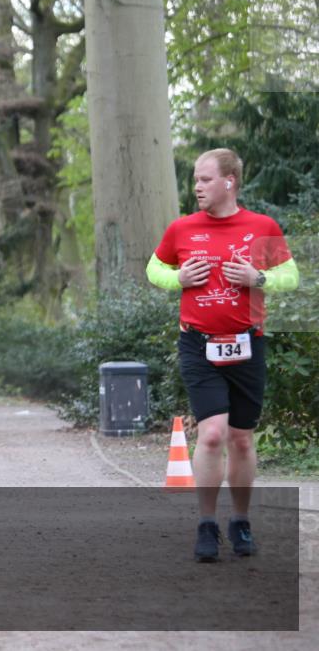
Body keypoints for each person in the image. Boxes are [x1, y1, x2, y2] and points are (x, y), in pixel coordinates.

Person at [146, 148, 299, 562]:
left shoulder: (261, 226)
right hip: (198, 344)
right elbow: (153, 269)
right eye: (195, 179)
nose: (196, 186)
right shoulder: (182, 228)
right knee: (212, 434)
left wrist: (259, 276)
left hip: (248, 343)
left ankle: (241, 521)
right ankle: (207, 524)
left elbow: (292, 275)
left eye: (205, 179)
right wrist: (176, 277)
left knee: (242, 440)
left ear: (229, 181)